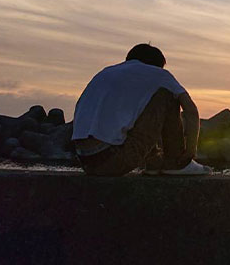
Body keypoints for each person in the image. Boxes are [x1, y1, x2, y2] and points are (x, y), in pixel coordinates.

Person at [72, 44, 212, 176]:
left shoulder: (105, 73)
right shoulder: (159, 75)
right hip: (112, 160)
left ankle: (154, 162)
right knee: (168, 95)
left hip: (85, 161)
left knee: (138, 107)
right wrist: (191, 151)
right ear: (158, 66)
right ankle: (176, 163)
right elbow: (191, 110)